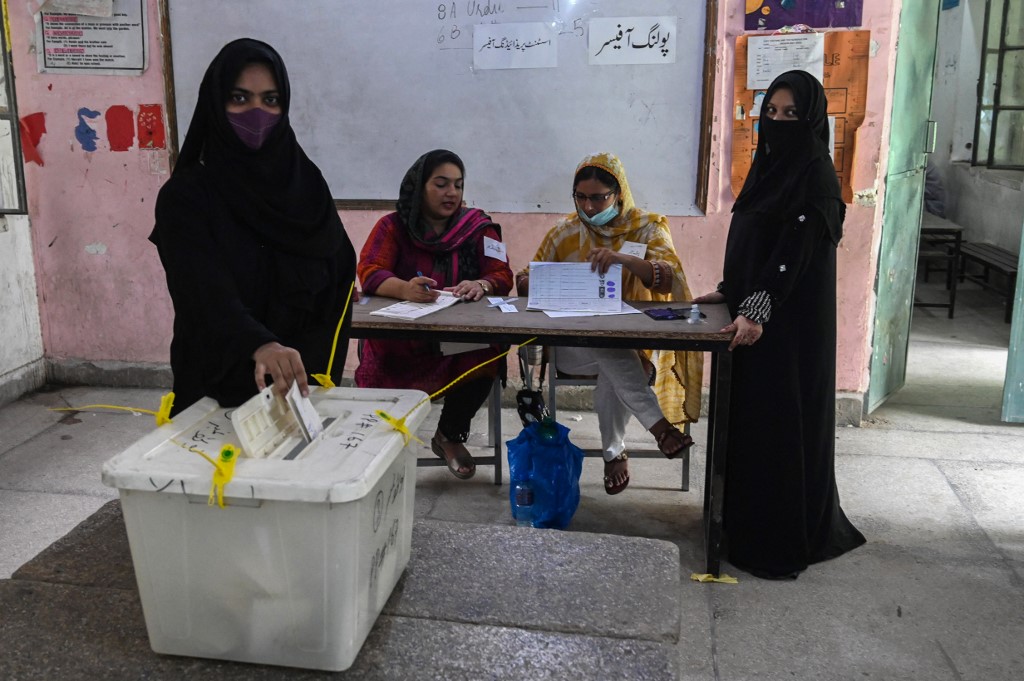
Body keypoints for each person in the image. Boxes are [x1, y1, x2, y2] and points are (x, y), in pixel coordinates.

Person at [694, 70, 866, 579]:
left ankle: (775, 541)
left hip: (787, 332)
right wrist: (730, 290)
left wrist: (758, 309)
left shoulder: (815, 174)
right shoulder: (769, 166)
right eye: (771, 112)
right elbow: (753, 239)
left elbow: (793, 255)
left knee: (776, 427)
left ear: (812, 117)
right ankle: (740, 525)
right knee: (750, 426)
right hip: (755, 319)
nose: (779, 122)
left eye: (791, 114)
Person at [150, 39, 356, 416]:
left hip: (299, 392)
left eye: (271, 99)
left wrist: (311, 370)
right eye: (240, 99)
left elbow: (339, 271)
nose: (257, 112)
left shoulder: (306, 184)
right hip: (215, 392)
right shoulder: (187, 196)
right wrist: (260, 344)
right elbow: (202, 292)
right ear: (215, 102)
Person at [516, 152, 703, 495]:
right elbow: (526, 280)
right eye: (581, 197)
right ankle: (659, 428)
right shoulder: (565, 231)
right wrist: (554, 281)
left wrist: (624, 260)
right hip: (572, 348)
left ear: (618, 194)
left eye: (598, 197)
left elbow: (668, 278)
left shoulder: (648, 227)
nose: (588, 206)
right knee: (604, 344)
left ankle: (614, 451)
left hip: (634, 343)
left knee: (612, 354)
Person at [356, 149, 513, 479]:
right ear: (419, 187)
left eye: (457, 185)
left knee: (488, 353)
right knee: (381, 361)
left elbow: (502, 274)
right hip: (403, 340)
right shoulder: (393, 227)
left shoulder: (478, 227)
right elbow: (370, 270)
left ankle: (449, 436)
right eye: (441, 184)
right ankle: (380, 445)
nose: (452, 193)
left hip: (459, 338)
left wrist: (482, 284)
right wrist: (404, 289)